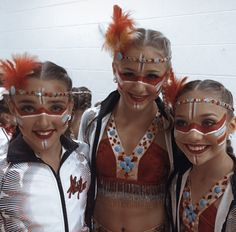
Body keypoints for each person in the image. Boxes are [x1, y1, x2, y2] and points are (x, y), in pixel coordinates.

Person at [79, 5, 176, 232]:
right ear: (115, 68)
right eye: (128, 73)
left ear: (167, 75)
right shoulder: (93, 120)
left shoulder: (172, 127)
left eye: (152, 76)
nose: (139, 85)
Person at [0, 54, 90, 231]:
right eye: (28, 108)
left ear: (70, 106)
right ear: (12, 108)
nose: (43, 122)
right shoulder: (4, 172)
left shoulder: (82, 158)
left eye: (56, 108)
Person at [171, 79, 236, 231]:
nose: (193, 136)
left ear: (231, 126)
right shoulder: (176, 180)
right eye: (181, 123)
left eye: (208, 123)